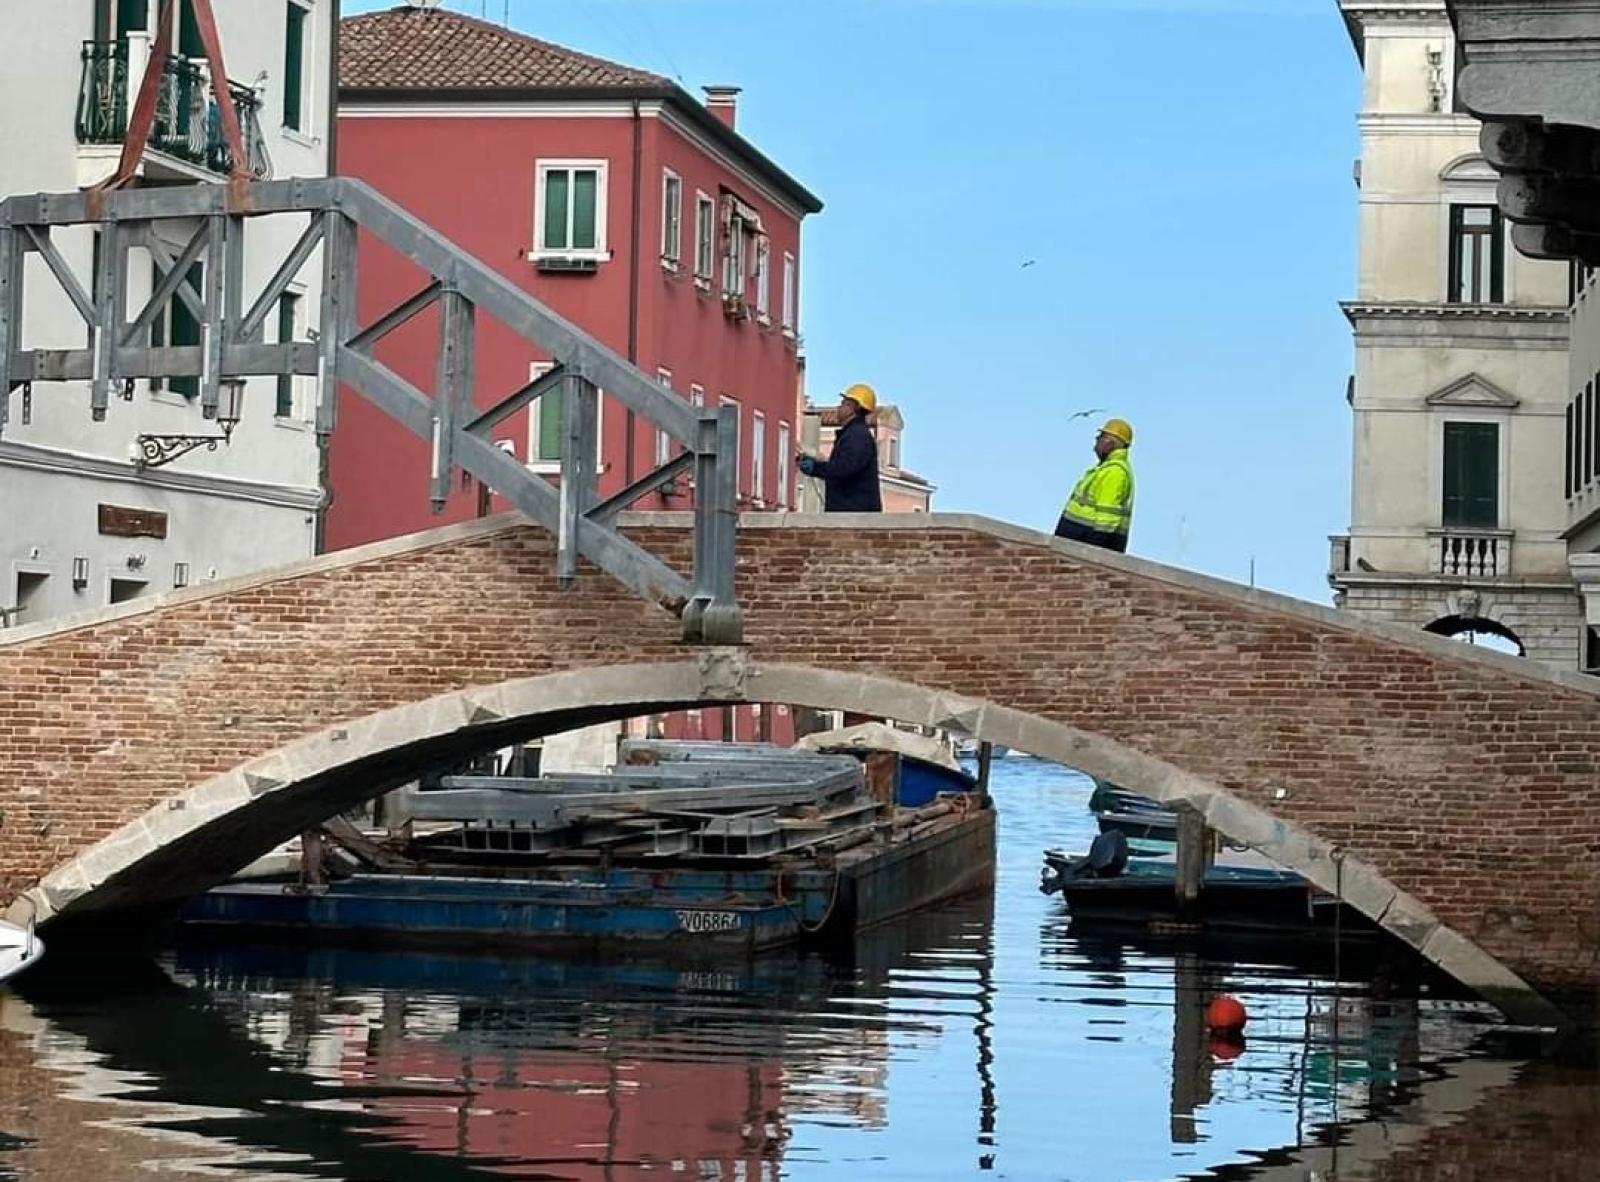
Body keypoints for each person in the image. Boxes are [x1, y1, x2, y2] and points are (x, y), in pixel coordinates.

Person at [797, 383, 883, 512]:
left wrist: (815, 467)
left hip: (853, 512)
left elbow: (844, 468)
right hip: (851, 510)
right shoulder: (855, 434)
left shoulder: (857, 435)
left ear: (852, 407)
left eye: (843, 403)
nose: (839, 407)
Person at [1055, 417, 1134, 552]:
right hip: (1075, 544)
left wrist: (1092, 553)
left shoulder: (1114, 473)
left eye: (1101, 436)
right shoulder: (1103, 469)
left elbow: (1106, 521)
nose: (1097, 440)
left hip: (1085, 547)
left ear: (1110, 442)